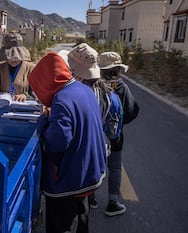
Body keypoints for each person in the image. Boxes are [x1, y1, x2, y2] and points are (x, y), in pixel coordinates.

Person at [28, 52, 107, 233]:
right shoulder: (83, 89)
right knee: (81, 217)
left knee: (61, 224)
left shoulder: (62, 99)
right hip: (89, 171)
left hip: (70, 178)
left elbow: (58, 142)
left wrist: (42, 123)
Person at [67, 43, 120, 211]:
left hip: (78, 149)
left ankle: (86, 203)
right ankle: (91, 199)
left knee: (76, 198)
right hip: (101, 144)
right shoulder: (108, 92)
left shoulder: (74, 93)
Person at [98, 51, 139, 216]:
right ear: (118, 69)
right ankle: (113, 202)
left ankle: (91, 197)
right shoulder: (122, 87)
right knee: (114, 167)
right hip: (115, 137)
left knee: (96, 166)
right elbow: (132, 110)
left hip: (96, 137)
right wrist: (118, 124)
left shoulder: (95, 86)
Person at [0, 32, 35, 102]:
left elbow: (38, 91)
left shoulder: (32, 69)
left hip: (25, 109)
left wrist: (26, 95)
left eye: (16, 56)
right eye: (10, 56)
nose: (13, 59)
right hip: (2, 109)